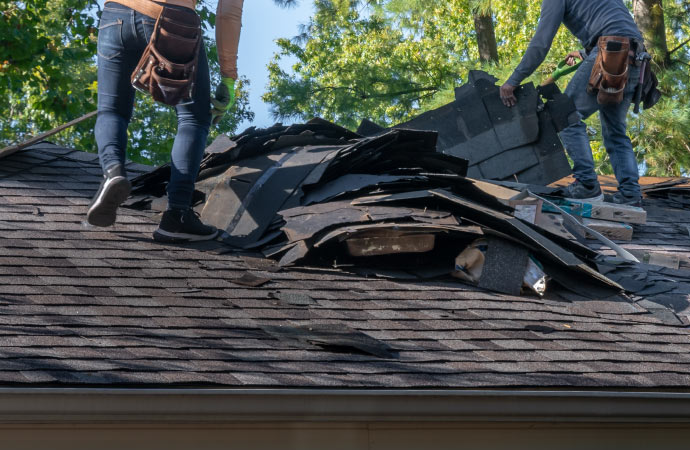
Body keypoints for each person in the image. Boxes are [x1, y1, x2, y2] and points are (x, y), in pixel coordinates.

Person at [87, 0, 244, 241]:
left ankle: (112, 171)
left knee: (111, 110)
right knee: (194, 117)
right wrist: (229, 77)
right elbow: (228, 13)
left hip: (114, 13)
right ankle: (177, 214)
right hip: (173, 16)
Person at [499, 0, 644, 207]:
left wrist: (513, 80)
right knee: (615, 131)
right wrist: (586, 54)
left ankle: (586, 185)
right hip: (635, 58)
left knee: (565, 114)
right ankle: (630, 194)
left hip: (610, 51)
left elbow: (541, 43)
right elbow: (617, 25)